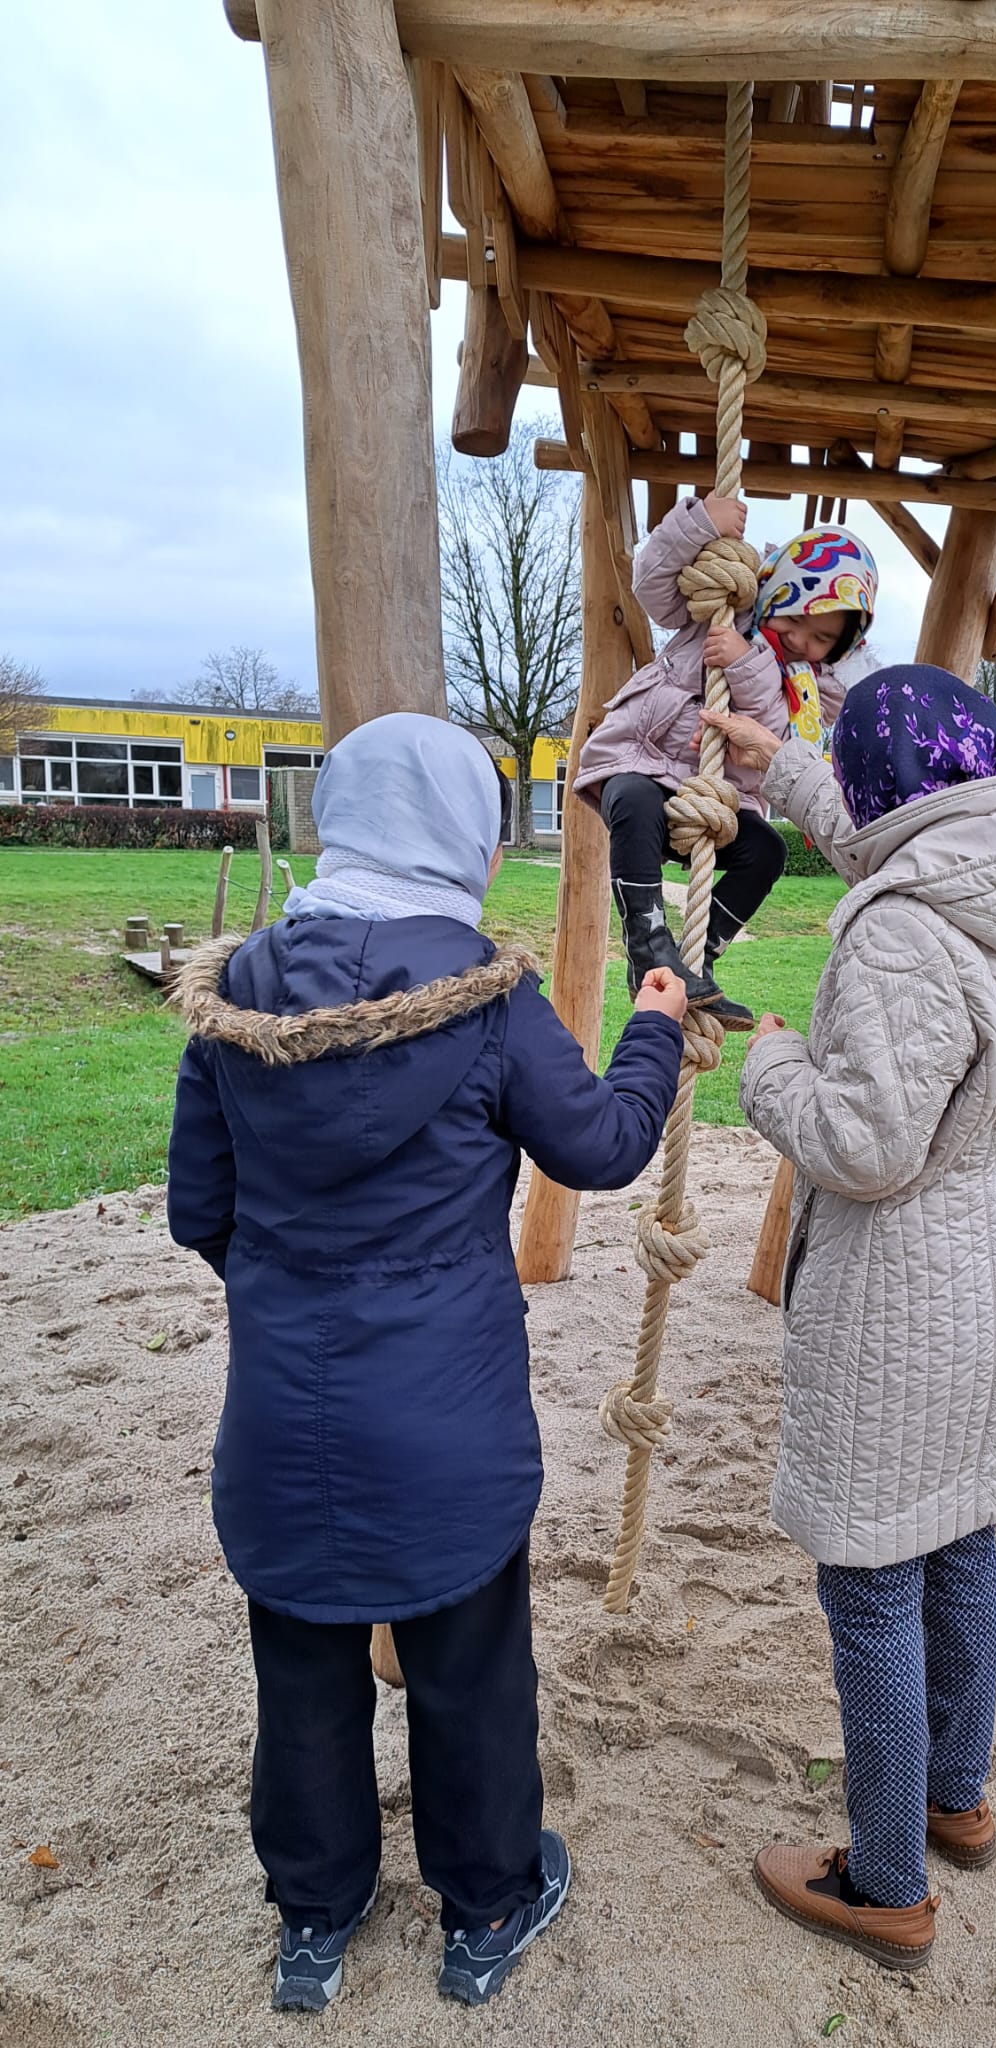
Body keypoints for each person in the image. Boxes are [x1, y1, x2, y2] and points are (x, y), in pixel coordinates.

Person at [165, 712, 687, 2012]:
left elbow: (199, 1210)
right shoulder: (485, 1002)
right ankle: (488, 1900)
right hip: (446, 1421)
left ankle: (315, 1916)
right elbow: (605, 1147)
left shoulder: (240, 995)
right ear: (464, 833)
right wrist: (657, 1026)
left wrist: (298, 1291)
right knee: (468, 1672)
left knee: (303, 1674)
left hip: (286, 1417)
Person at [704, 667, 996, 1972]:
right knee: (960, 1545)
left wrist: (766, 1064)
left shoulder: (902, 937)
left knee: (872, 1579)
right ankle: (956, 1796)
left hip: (906, 1307)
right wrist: (780, 765)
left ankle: (885, 1883)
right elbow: (898, 833)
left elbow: (867, 1145)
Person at [572, 498, 879, 1030]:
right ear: (779, 590)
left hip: (718, 801)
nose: (803, 642)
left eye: (824, 639)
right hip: (647, 760)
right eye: (798, 620)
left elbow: (773, 728)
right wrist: (700, 525)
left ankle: (699, 958)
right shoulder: (726, 602)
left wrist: (745, 659)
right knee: (632, 797)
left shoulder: (807, 683)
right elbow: (652, 586)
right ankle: (648, 945)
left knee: (766, 850)